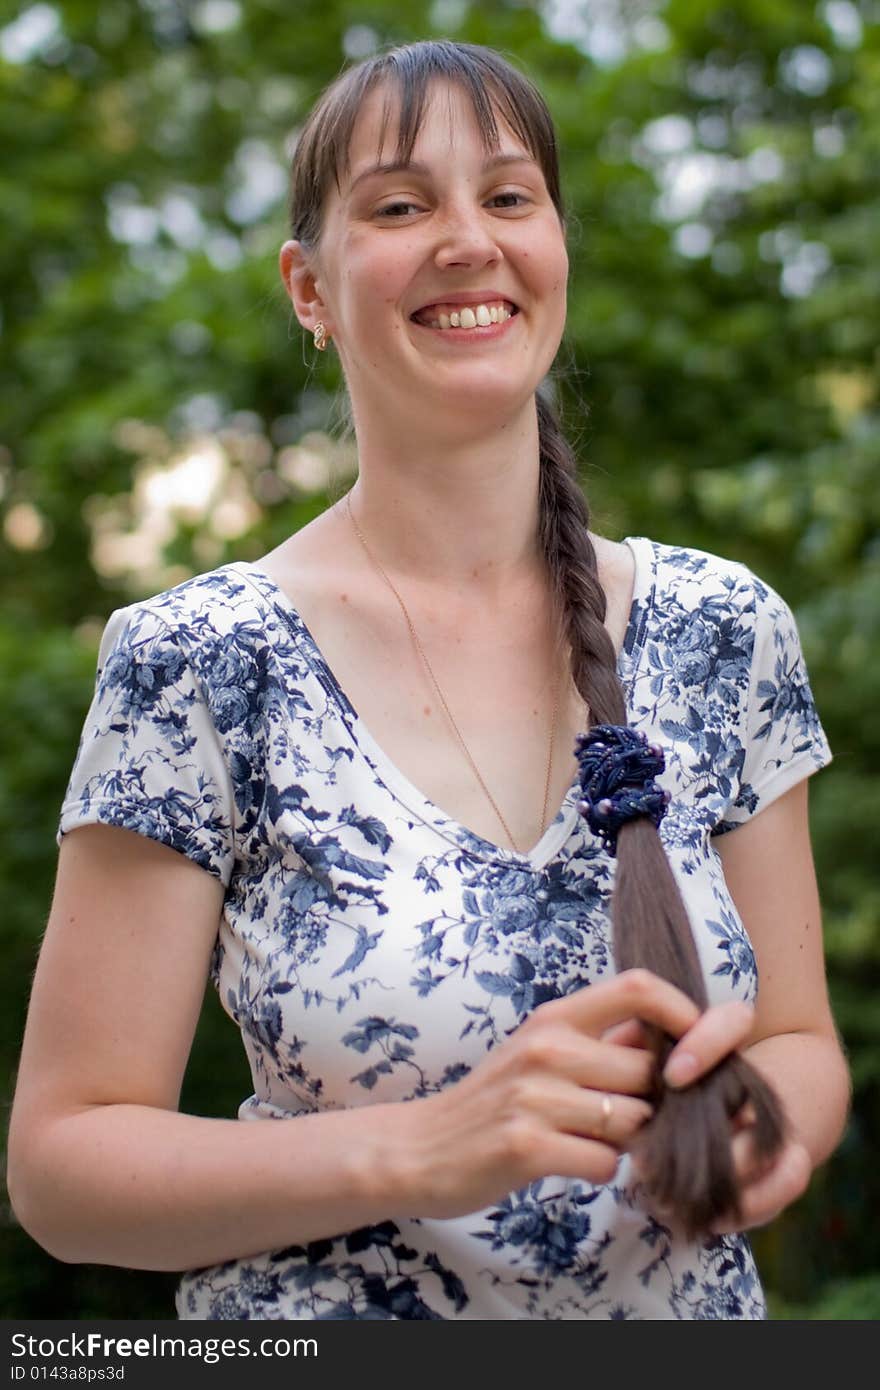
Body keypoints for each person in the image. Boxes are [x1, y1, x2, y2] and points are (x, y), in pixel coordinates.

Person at [7, 40, 850, 1321]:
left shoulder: (726, 628)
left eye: (508, 197)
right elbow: (64, 1171)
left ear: (557, 244)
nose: (467, 240)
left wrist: (757, 1147)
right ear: (309, 287)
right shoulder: (199, 660)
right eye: (401, 206)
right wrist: (425, 1148)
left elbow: (796, 1041)